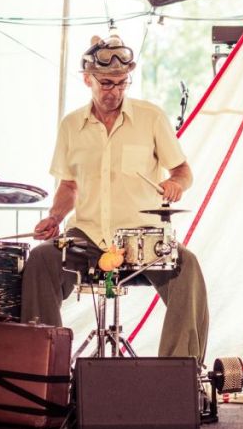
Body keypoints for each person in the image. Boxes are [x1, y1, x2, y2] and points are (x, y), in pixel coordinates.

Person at [21, 34, 209, 361]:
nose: (115, 91)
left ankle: (178, 371)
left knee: (187, 266)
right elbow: (69, 185)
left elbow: (183, 171)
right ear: (87, 78)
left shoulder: (151, 117)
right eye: (106, 83)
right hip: (87, 237)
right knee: (41, 260)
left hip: (142, 240)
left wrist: (175, 183)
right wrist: (55, 217)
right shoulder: (71, 125)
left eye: (122, 83)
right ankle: (43, 369)